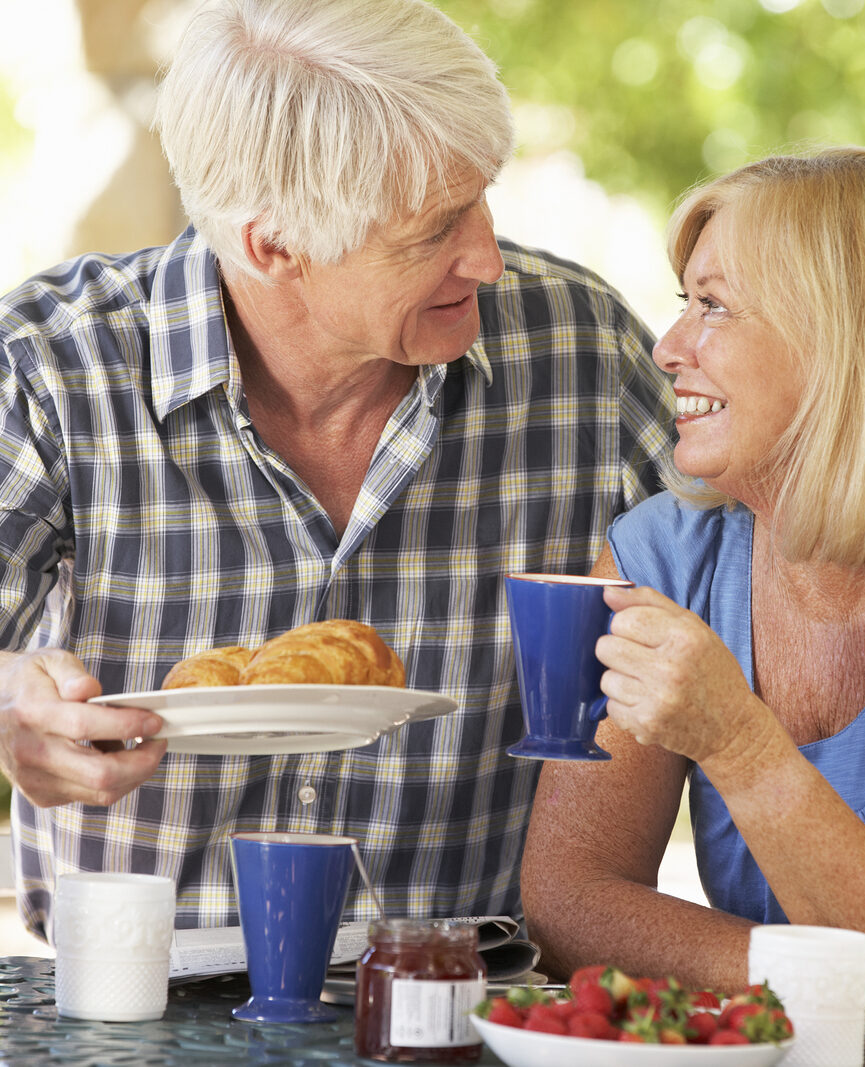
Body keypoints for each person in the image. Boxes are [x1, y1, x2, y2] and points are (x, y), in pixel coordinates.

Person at [0, 0, 675, 940]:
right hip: (132, 994)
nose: (485, 255)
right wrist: (13, 706)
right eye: (435, 228)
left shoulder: (582, 350)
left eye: (481, 196)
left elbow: (745, 603)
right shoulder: (54, 362)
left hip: (464, 995)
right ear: (272, 246)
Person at [521, 147, 865, 1064]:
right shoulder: (661, 553)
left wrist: (738, 742)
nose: (667, 347)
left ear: (852, 342)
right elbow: (571, 896)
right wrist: (841, 981)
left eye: (715, 305)